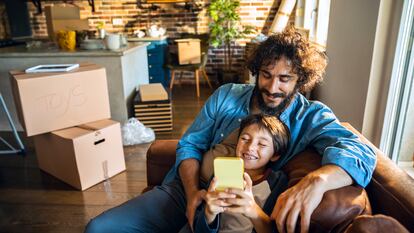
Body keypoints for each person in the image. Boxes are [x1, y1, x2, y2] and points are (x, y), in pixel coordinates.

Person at [85, 26, 376, 233]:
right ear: (256, 71)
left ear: (301, 79)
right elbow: (190, 145)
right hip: (183, 191)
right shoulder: (226, 95)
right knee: (99, 227)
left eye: (285, 79)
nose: (273, 87)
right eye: (266, 75)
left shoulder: (310, 116)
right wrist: (191, 195)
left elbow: (360, 150)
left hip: (236, 209)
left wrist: (318, 181)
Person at [194, 114, 290, 233]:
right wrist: (209, 213)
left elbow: (277, 229)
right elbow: (199, 229)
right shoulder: (220, 174)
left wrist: (252, 209)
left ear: (275, 155)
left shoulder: (278, 182)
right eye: (245, 139)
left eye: (262, 144)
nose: (250, 147)